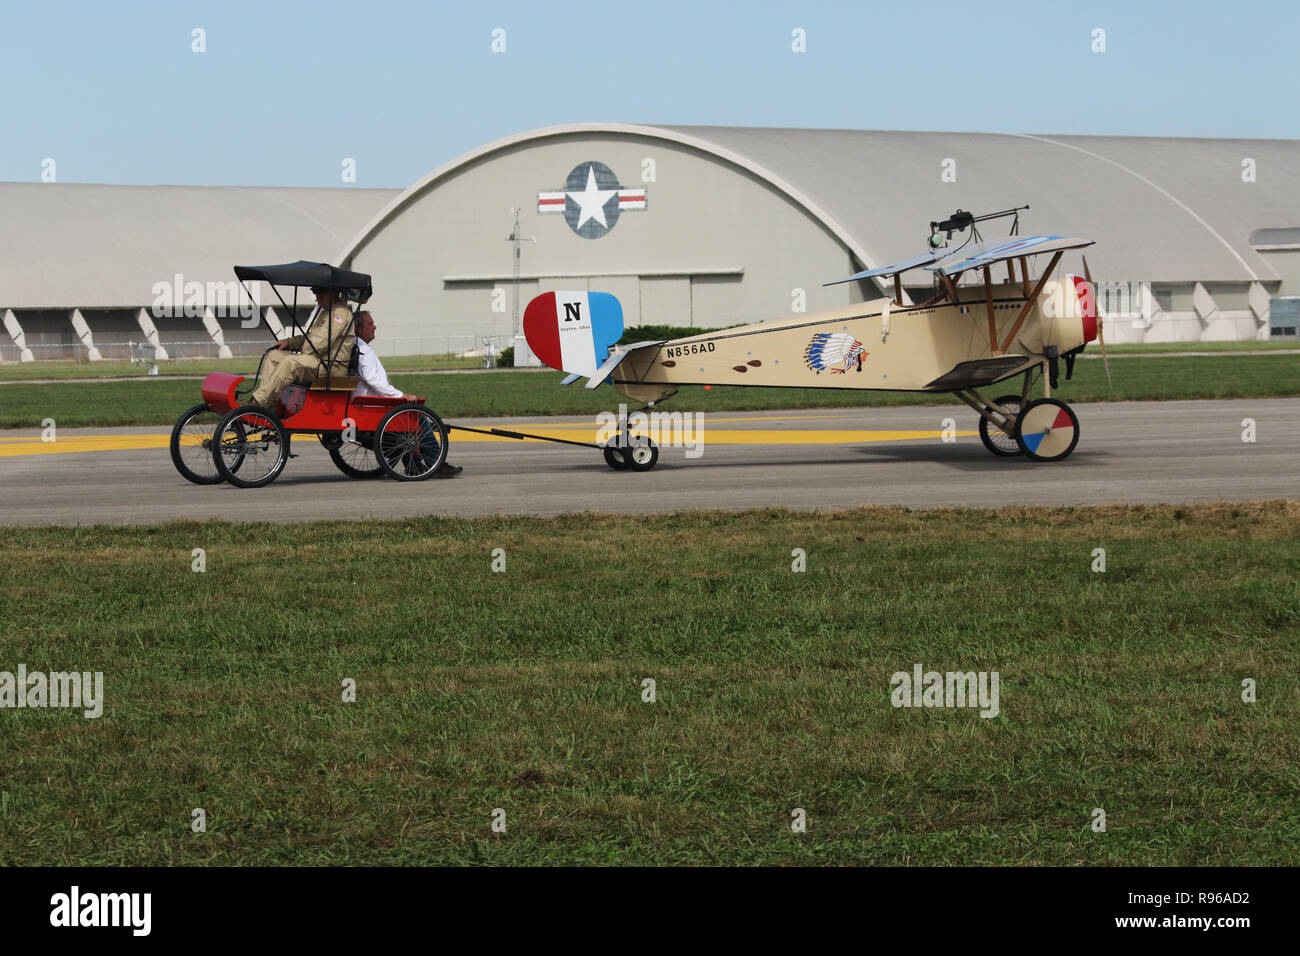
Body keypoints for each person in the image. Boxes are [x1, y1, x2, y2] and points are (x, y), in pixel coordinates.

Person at [354, 310, 462, 477]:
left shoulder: (360, 347)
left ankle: (414, 464)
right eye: (370, 324)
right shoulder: (362, 349)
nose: (374, 327)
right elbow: (373, 379)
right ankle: (436, 462)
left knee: (410, 417)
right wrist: (400, 395)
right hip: (371, 403)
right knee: (417, 417)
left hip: (370, 400)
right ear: (358, 329)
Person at [246, 287, 355, 408]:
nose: (317, 295)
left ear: (334, 291)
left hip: (332, 367)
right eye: (315, 291)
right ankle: (270, 406)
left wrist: (302, 354)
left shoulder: (340, 313)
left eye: (320, 291)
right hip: (318, 362)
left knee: (291, 362)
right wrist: (289, 342)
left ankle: (257, 403)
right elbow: (310, 338)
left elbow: (322, 342)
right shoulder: (327, 312)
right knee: (274, 355)